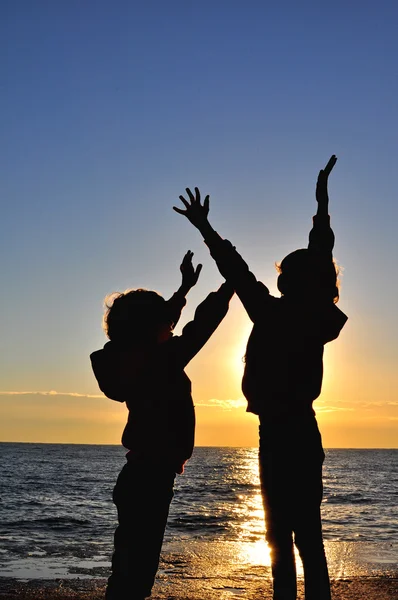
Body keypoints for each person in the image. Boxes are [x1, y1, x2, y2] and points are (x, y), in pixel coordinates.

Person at [173, 157, 348, 600]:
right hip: (294, 433)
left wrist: (206, 229)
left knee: (288, 534)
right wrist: (322, 202)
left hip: (282, 433)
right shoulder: (309, 317)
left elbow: (242, 267)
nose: (280, 276)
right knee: (302, 534)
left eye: (286, 273)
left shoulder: (283, 313)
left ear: (297, 281)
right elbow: (314, 256)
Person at [90, 251, 233, 600]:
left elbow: (152, 326)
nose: (170, 325)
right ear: (152, 327)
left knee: (129, 565)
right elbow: (201, 326)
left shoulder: (130, 357)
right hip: (150, 476)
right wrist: (230, 286)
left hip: (141, 473)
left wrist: (184, 289)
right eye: (163, 322)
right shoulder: (161, 361)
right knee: (136, 572)